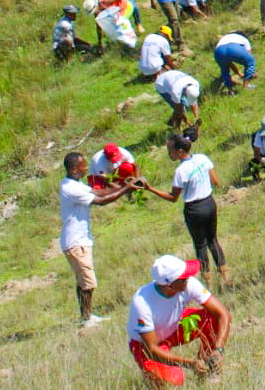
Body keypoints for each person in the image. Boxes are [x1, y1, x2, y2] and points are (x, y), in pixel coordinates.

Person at [59, 151, 139, 327]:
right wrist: (127, 189)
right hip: (76, 242)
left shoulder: (73, 183)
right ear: (73, 169)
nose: (86, 168)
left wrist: (123, 186)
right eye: (82, 165)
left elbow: (100, 192)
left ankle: (86, 316)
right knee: (88, 282)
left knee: (83, 281)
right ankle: (86, 319)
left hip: (78, 240)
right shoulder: (71, 189)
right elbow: (101, 201)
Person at [124, 254, 232, 384]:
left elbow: (223, 314)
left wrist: (218, 350)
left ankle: (209, 368)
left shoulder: (187, 283)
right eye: (184, 278)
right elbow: (151, 349)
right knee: (174, 380)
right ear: (169, 285)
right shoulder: (142, 303)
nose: (189, 279)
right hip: (146, 345)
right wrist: (189, 364)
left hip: (174, 327)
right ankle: (153, 378)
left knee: (212, 318)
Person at [140, 135, 229, 287]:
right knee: (213, 240)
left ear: (180, 151)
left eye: (170, 150)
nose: (169, 154)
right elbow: (216, 181)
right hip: (209, 203)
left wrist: (150, 188)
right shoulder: (202, 158)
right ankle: (226, 277)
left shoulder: (181, 171)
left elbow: (173, 197)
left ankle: (208, 283)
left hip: (194, 209)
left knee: (200, 244)